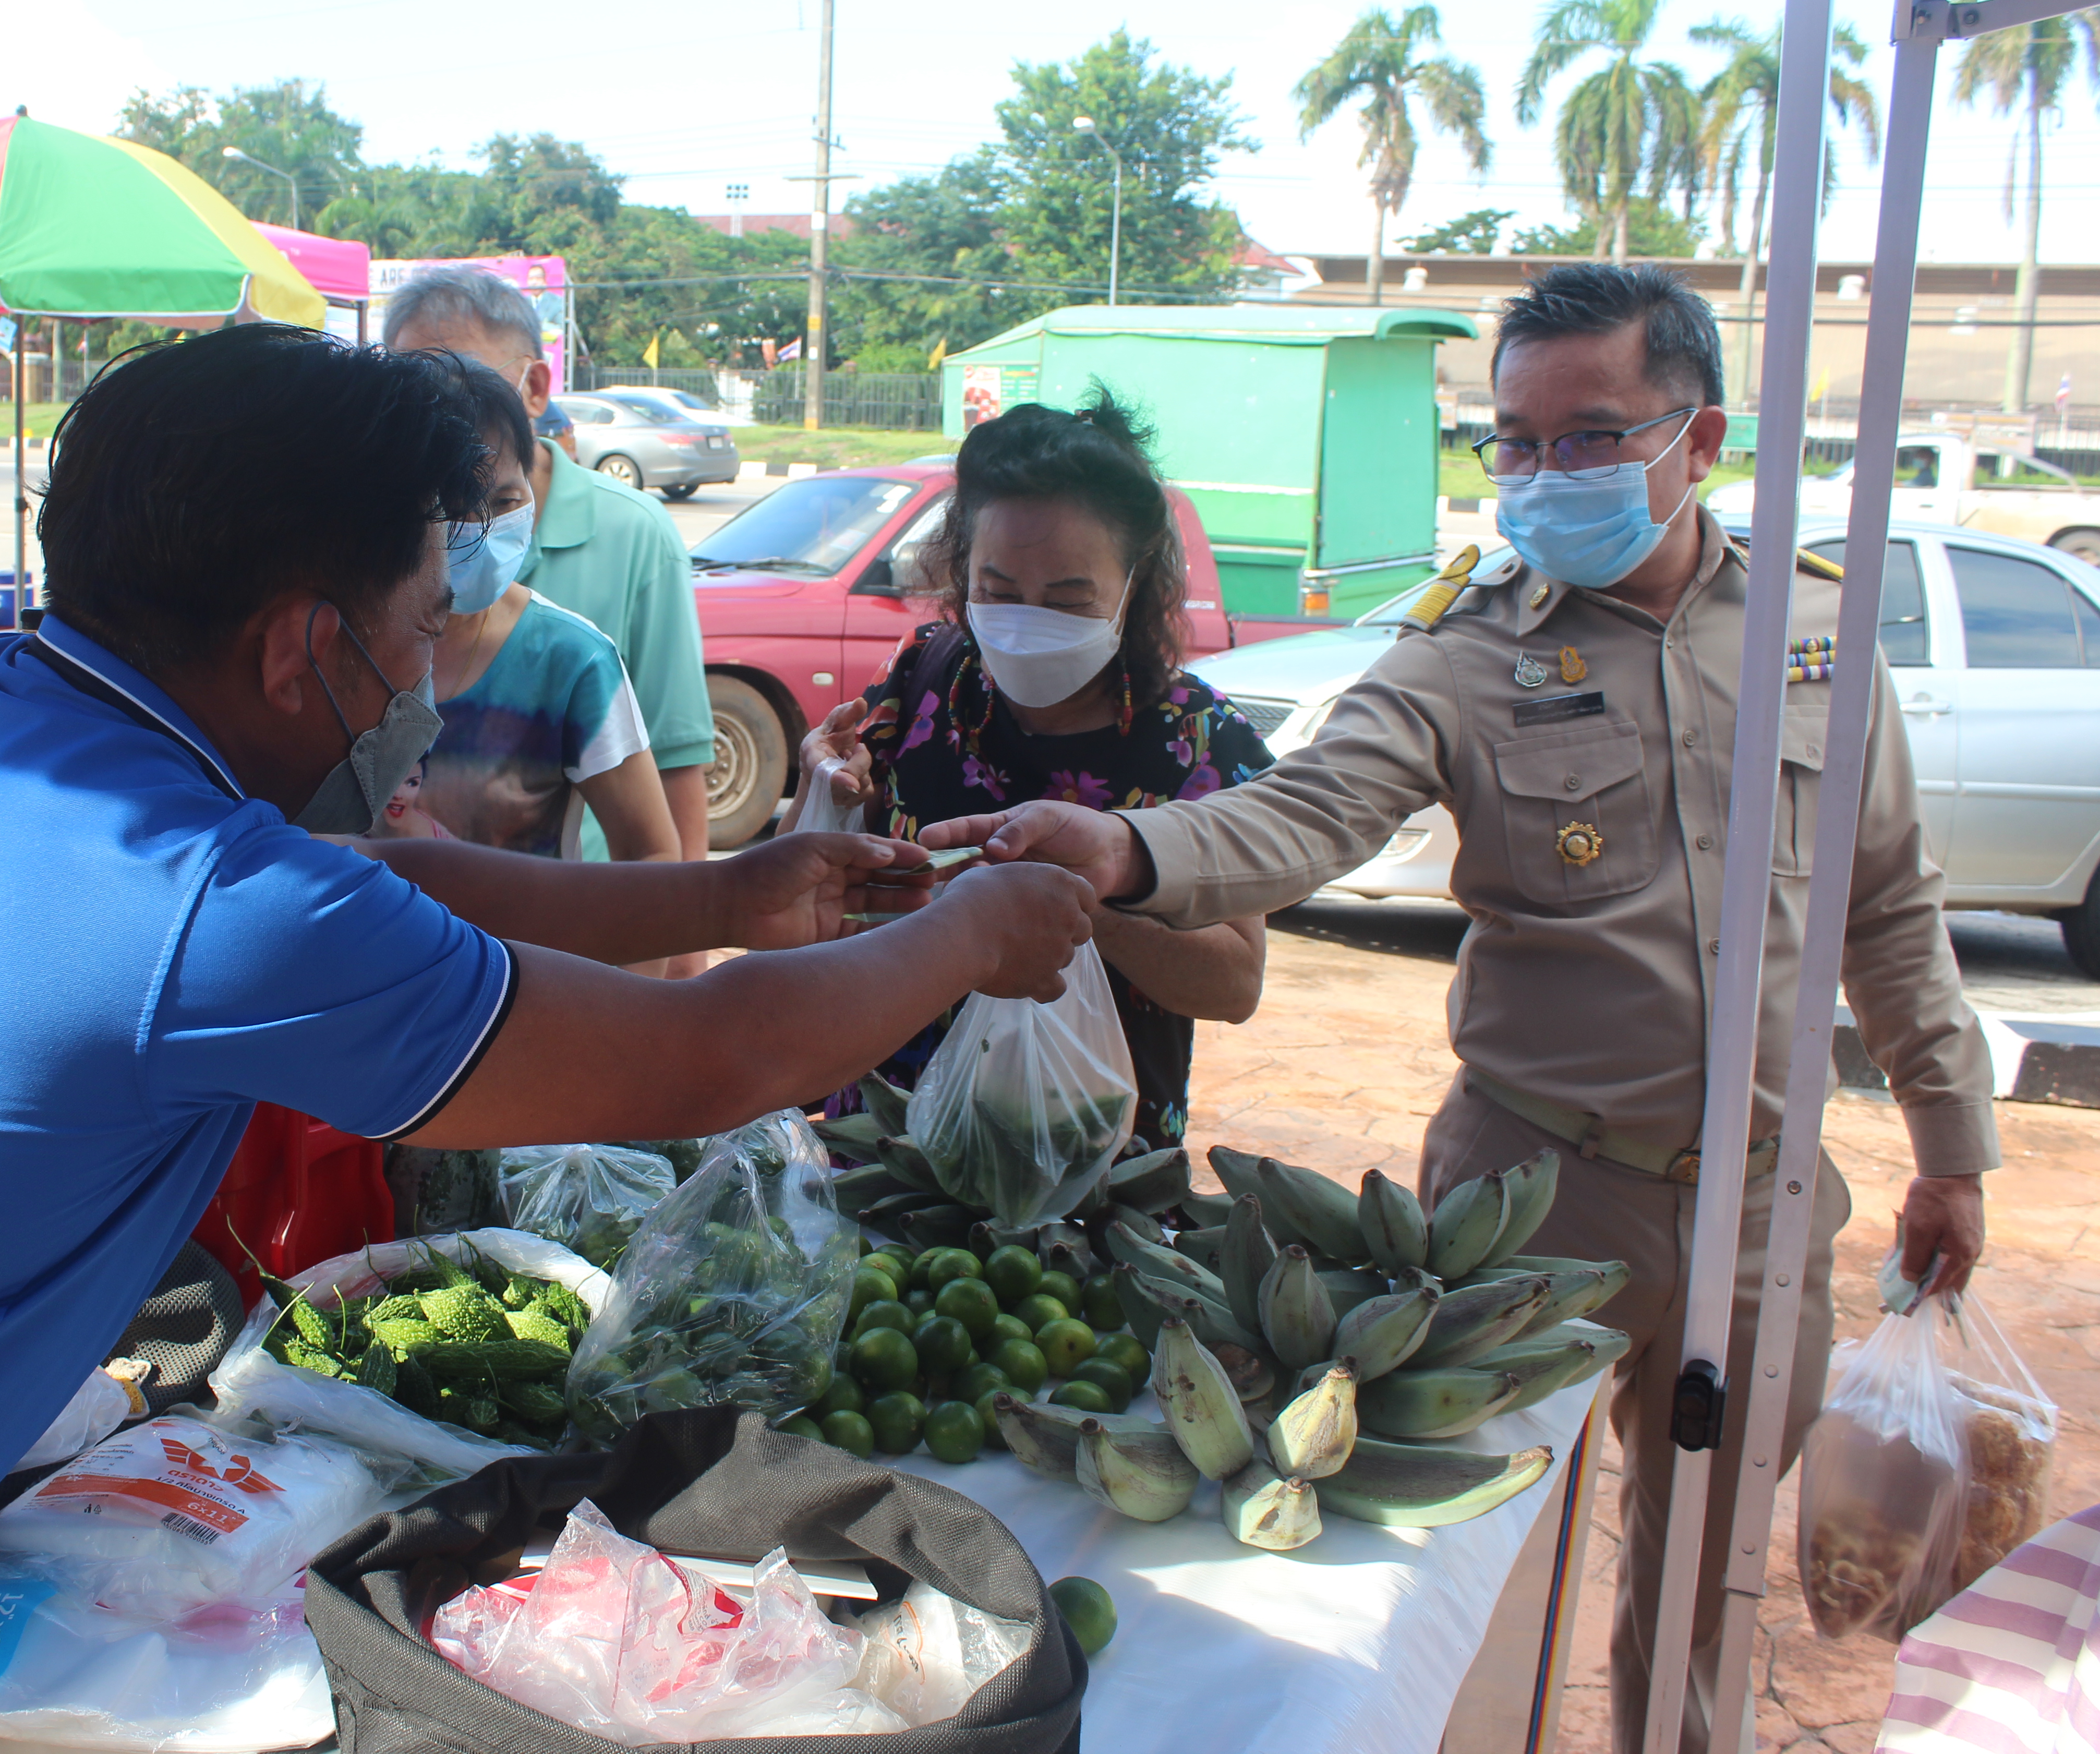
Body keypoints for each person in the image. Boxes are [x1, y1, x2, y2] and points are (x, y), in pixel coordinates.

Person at [0, 326, 1097, 1754]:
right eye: (420, 626)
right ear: (303, 641)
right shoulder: (192, 900)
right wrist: (965, 930)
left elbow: (362, 873)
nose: (429, 672)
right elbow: (704, 1063)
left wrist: (736, 885)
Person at [919, 264, 1998, 1754]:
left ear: (1701, 438)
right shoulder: (1466, 643)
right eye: (1516, 441)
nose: (1546, 476)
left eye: (1592, 437)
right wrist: (1130, 844)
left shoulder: (1816, 632)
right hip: (1530, 1203)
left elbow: (1888, 904)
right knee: (1475, 1579)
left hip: (1766, 1206)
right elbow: (1307, 812)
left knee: (1707, 1587)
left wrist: (1951, 1143)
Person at [783, 392, 1272, 1145]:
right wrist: (826, 783)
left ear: (1135, 587)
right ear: (961, 571)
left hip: (1087, 1166)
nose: (1026, 621)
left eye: (1070, 601)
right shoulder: (923, 675)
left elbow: (1234, 983)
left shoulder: (1201, 742)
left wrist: (1081, 902)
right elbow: (808, 888)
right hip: (886, 1147)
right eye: (999, 592)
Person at [379, 269, 716, 883]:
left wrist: (677, 957)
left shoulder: (587, 630)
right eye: (408, 380)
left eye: (504, 504)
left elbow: (674, 764)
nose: (434, 402)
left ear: (532, 387)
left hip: (550, 951)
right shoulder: (341, 632)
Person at [418, 354, 679, 867]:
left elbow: (651, 855)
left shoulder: (573, 662)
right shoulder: (333, 646)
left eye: (508, 500)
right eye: (457, 508)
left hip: (523, 950)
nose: (483, 530)